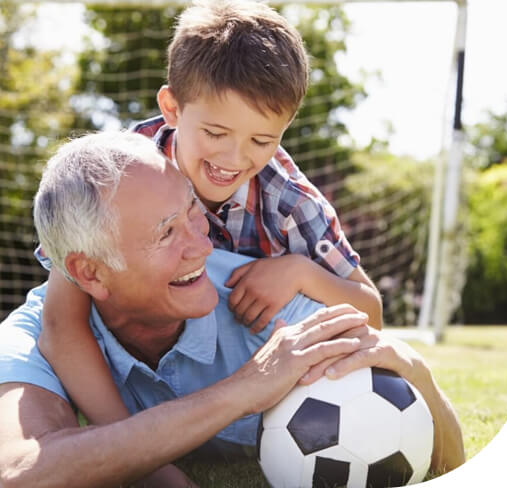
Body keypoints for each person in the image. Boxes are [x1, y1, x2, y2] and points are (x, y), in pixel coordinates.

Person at [0, 132, 464, 487]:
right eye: (166, 233)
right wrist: (248, 388)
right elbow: (21, 473)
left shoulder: (274, 311)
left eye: (193, 212)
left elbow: (447, 464)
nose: (202, 245)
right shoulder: (42, 332)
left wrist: (416, 371)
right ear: (90, 274)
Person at [38, 0, 384, 432]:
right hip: (122, 352)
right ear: (173, 108)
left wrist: (299, 272)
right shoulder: (119, 173)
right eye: (216, 133)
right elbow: (60, 320)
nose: (234, 158)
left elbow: (370, 311)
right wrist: (130, 442)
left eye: (262, 140)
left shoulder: (291, 203)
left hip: (227, 364)